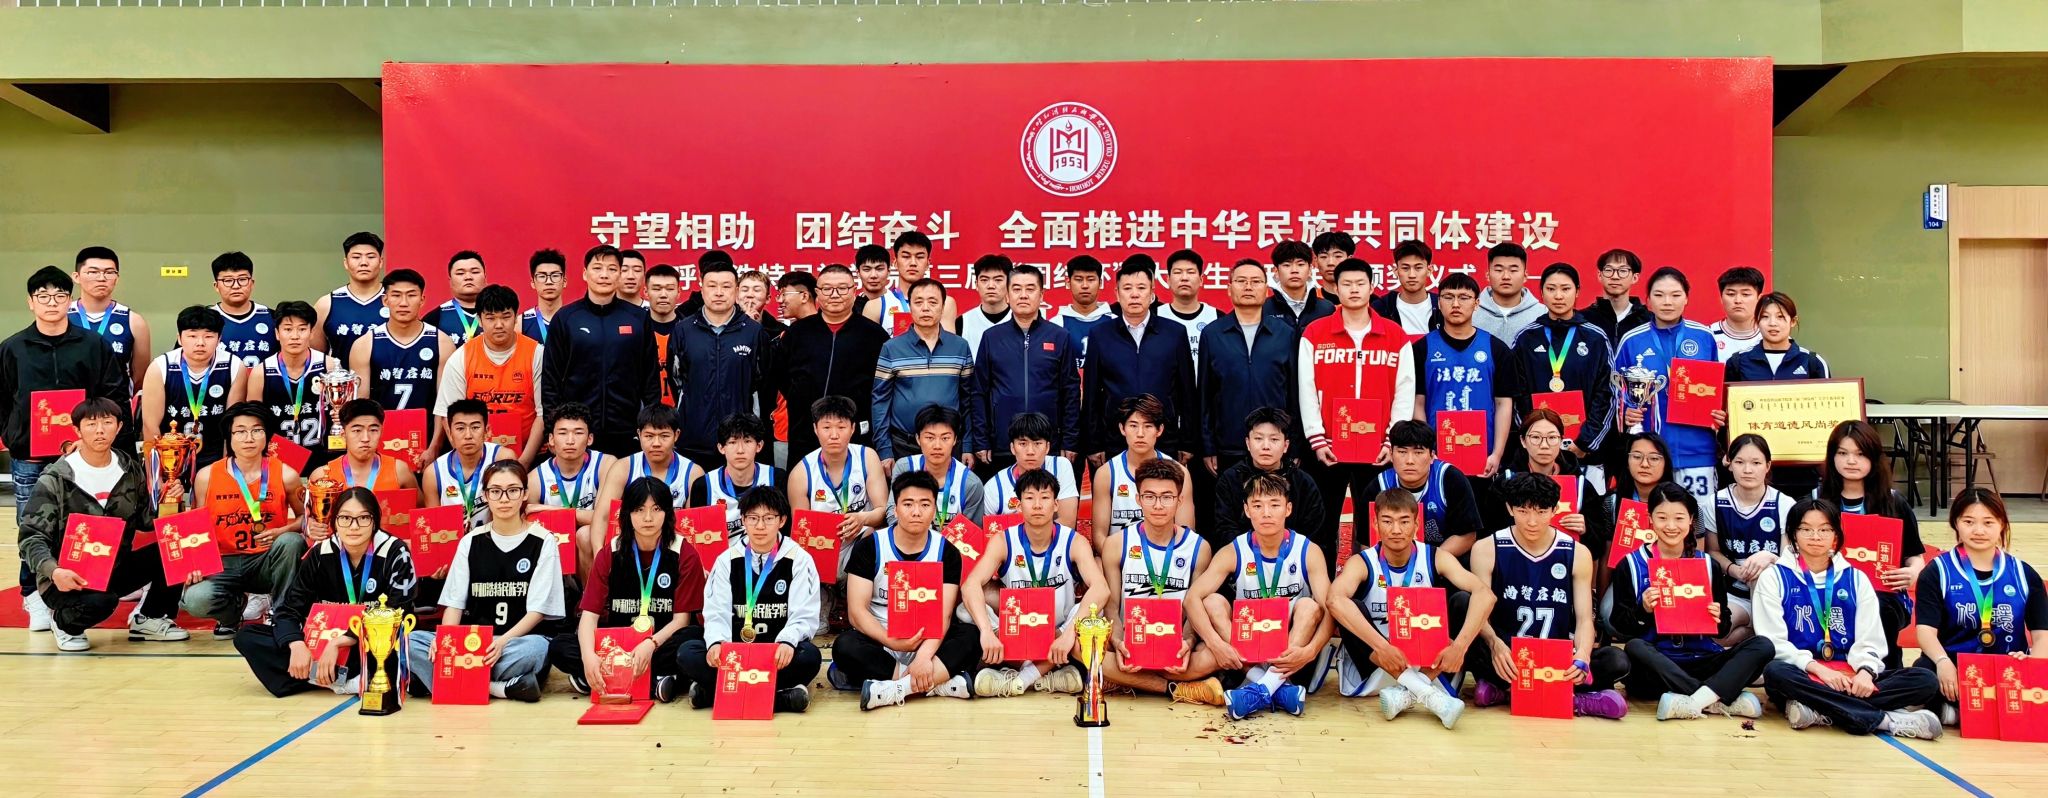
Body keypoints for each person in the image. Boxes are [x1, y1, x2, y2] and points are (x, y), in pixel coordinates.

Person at [6, 266, 137, 631]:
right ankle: (33, 594)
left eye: (59, 296)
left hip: (84, 455)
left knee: (85, 525)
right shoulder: (12, 348)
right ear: (31, 302)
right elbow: (4, 399)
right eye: (43, 296)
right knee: (31, 524)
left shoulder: (93, 344)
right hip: (30, 457)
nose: (52, 303)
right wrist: (16, 435)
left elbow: (113, 393)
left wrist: (94, 437)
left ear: (70, 300)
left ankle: (78, 592)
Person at [1755, 498, 1942, 739]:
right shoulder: (1774, 577)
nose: (1815, 536)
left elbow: (1870, 638)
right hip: (1804, 672)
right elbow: (1773, 642)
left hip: (1849, 675)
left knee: (1924, 680)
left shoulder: (1856, 578)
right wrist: (1819, 670)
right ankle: (1884, 721)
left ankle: (1819, 710)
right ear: (1792, 534)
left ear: (1836, 534)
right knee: (1776, 672)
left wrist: (1865, 672)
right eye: (1806, 529)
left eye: (1824, 529)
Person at [17, 398, 187, 651]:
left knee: (178, 549)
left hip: (114, 567)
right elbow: (31, 537)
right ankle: (63, 622)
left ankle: (150, 618)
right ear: (76, 430)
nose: (100, 430)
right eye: (91, 424)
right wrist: (54, 572)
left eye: (107, 423)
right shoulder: (56, 478)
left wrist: (171, 501)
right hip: (67, 576)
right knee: (101, 602)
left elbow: (145, 520)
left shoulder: (129, 469)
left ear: (119, 427)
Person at [1465, 473, 1630, 718]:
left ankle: (1507, 692)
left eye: (1541, 512)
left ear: (1555, 510)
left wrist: (1583, 655)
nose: (1532, 521)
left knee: (1616, 660)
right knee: (1462, 619)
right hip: (1508, 655)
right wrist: (1495, 644)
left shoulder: (1577, 553)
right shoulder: (1486, 549)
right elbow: (1480, 614)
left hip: (1556, 656)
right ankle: (1571, 699)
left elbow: (1585, 618)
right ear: (1509, 509)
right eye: (1523, 511)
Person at [1327, 488, 1491, 728]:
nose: (1396, 530)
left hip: (1429, 663)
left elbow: (1485, 595)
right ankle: (1428, 694)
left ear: (1416, 524)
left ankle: (1413, 689)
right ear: (1375, 524)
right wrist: (1382, 646)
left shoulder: (1436, 557)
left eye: (1404, 521)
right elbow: (1334, 600)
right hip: (1380, 661)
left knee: (1463, 601)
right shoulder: (1362, 562)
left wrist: (1459, 647)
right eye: (1387, 521)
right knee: (1348, 607)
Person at [1609, 485, 1774, 720]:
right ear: (1650, 520)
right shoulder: (1631, 564)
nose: (1671, 526)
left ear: (1691, 521)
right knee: (1634, 647)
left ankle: (1692, 701)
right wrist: (1643, 610)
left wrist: (1718, 617)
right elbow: (1619, 624)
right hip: (1658, 664)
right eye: (1662, 518)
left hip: (1703, 659)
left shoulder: (1708, 565)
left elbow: (1723, 628)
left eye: (1679, 518)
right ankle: (1714, 699)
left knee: (1762, 646)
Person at [236, 487, 417, 696]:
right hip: (322, 640)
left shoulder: (395, 551)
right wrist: (296, 644)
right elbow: (289, 609)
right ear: (334, 522)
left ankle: (318, 677)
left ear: (375, 521)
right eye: (345, 518)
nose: (354, 527)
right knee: (247, 637)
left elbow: (399, 610)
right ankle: (337, 679)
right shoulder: (320, 553)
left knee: (400, 646)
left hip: (367, 642)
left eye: (363, 518)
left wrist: (341, 641)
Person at [407, 460, 561, 703]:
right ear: (486, 495)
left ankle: (448, 683)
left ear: (525, 494)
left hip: (513, 643)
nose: (504, 499)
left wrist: (502, 642)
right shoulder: (470, 541)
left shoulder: (544, 541)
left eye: (513, 490)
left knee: (538, 649)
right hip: (471, 642)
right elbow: (454, 603)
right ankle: (498, 688)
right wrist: (445, 639)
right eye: (495, 491)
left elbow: (537, 611)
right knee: (410, 642)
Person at [1185, 473, 1334, 719]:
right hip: (1247, 648)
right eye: (1257, 506)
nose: (1266, 513)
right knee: (1211, 601)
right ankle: (1275, 687)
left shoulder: (1308, 550)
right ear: (1246, 510)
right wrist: (1216, 644)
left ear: (1288, 509)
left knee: (1310, 606)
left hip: (1292, 650)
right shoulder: (1234, 550)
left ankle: (1264, 685)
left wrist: (1311, 650)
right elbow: (1192, 598)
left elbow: (1330, 607)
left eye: (1274, 505)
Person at [1297, 257, 1415, 559]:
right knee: (1321, 523)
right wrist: (1316, 438)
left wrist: (1392, 440)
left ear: (1371, 287)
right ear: (1335, 288)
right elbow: (1306, 389)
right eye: (1346, 284)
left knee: (1373, 524)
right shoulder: (1315, 333)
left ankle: (1371, 581)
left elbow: (1404, 392)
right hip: (1327, 447)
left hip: (1377, 449)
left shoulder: (1394, 335)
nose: (1353, 290)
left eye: (1360, 283)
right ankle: (1321, 583)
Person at [832, 471, 980, 709]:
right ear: (896, 508)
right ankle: (938, 684)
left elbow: (943, 615)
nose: (916, 512)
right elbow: (857, 612)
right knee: (845, 646)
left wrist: (923, 657)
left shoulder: (947, 551)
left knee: (971, 636)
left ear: (934, 508)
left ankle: (897, 688)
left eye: (925, 504)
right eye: (908, 504)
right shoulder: (870, 546)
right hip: (882, 637)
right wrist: (892, 641)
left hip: (929, 640)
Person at [552, 476, 704, 703]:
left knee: (691, 641)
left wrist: (650, 644)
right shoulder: (609, 553)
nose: (648, 518)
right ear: (627, 514)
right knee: (560, 646)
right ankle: (656, 680)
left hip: (660, 643)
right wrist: (588, 657)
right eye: (639, 510)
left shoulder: (685, 553)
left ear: (668, 513)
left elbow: (681, 620)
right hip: (616, 645)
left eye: (656, 509)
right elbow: (589, 616)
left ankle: (607, 677)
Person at [961, 468, 1110, 697]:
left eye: (1045, 498)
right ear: (1019, 505)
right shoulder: (1003, 540)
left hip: (1058, 630)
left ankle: (1021, 677)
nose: (1038, 505)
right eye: (1030, 498)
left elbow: (1101, 588)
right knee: (965, 609)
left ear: (1056, 504)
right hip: (1017, 627)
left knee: (1095, 611)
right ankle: (1046, 674)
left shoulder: (1073, 541)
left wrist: (1068, 634)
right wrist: (986, 632)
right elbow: (971, 584)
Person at [682, 486, 823, 712]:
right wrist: (717, 643)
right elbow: (716, 612)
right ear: (743, 520)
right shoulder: (726, 560)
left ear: (782, 520)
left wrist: (787, 642)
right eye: (753, 518)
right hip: (735, 652)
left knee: (809, 657)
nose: (760, 526)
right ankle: (781, 698)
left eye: (768, 518)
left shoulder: (799, 559)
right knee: (688, 652)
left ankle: (717, 692)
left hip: (775, 653)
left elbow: (804, 615)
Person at [1098, 459, 1226, 705]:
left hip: (1175, 646)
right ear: (1138, 499)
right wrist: (1118, 641)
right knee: (1082, 646)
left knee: (1213, 654)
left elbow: (1194, 608)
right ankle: (1176, 689)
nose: (1158, 505)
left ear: (1179, 500)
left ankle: (1127, 681)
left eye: (1167, 497)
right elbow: (1112, 607)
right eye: (1150, 496)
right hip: (1131, 643)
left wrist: (1188, 642)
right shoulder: (1116, 544)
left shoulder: (1199, 548)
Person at [1914, 488, 2048, 719]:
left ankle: (1954, 715)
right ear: (1956, 523)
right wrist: (1943, 662)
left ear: (2002, 524)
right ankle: (1961, 711)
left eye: (1988, 522)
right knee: (1922, 676)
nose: (1978, 531)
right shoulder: (1937, 571)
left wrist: (2032, 665)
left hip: (2008, 669)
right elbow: (1925, 631)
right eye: (1968, 521)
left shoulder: (2023, 574)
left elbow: (2042, 635)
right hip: (1954, 668)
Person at [183, 402, 307, 636]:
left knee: (291, 541)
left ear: (267, 436)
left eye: (256, 430)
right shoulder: (206, 476)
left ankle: (282, 616)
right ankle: (232, 614)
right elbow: (196, 526)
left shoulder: (286, 474)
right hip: (223, 562)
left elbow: (306, 518)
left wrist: (281, 531)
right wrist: (194, 562)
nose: (249, 438)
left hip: (266, 561)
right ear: (229, 437)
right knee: (196, 599)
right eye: (240, 431)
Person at [1816, 419, 1927, 670]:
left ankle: (1884, 674)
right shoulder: (1817, 502)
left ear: (1874, 458)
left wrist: (1912, 572)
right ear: (1832, 457)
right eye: (1842, 453)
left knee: (1878, 605)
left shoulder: (1894, 502)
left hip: (1884, 594)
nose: (1851, 461)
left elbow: (1915, 556)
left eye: (1860, 454)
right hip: (1826, 589)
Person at [1610, 267, 1724, 501]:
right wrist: (1626, 412)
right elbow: (1616, 390)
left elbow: (1716, 389)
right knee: (1649, 516)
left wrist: (1720, 414)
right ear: (1648, 300)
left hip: (1697, 452)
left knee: (1699, 517)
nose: (1667, 302)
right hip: (1649, 455)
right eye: (1659, 295)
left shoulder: (1704, 337)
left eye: (1675, 295)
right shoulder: (1632, 340)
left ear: (1686, 298)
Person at [542, 244, 662, 459]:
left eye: (612, 269)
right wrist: (554, 429)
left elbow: (650, 378)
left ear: (619, 274)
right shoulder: (566, 318)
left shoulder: (638, 318)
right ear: (585, 273)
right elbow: (551, 381)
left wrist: (649, 425)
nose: (604, 275)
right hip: (577, 432)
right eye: (597, 268)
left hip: (627, 430)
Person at [1083, 255, 1197, 467]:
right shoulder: (1100, 335)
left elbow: (1187, 393)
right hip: (1116, 437)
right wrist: (1093, 443)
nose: (1134, 294)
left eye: (1141, 288)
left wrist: (1188, 441)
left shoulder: (1174, 333)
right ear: (1117, 293)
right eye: (1127, 288)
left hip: (1164, 437)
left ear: (1152, 293)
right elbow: (1091, 394)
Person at [1510, 263, 1615, 485]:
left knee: (1582, 504)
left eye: (1565, 289)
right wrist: (1535, 440)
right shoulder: (1526, 338)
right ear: (1541, 293)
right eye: (1551, 289)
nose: (1558, 296)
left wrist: (1585, 442)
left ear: (1577, 292)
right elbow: (1517, 395)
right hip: (1537, 456)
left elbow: (1607, 394)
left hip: (1585, 453)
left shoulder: (1595, 338)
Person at [772, 264, 889, 462]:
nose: (835, 295)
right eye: (827, 289)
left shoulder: (873, 335)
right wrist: (800, 397)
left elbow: (882, 385)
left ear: (854, 291)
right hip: (805, 431)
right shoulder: (797, 333)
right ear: (817, 292)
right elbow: (779, 375)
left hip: (855, 432)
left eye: (842, 288)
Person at [972, 264, 1080, 476]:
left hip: (1047, 444)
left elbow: (1070, 392)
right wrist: (981, 439)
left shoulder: (1059, 336)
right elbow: (979, 392)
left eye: (1030, 289)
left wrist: (1070, 440)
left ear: (1041, 295)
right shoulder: (992, 337)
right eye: (1017, 289)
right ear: (1007, 295)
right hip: (1003, 443)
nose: (1023, 295)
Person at [1413, 272, 1522, 479]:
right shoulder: (1421, 348)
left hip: (1483, 454)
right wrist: (1427, 448)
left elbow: (1503, 404)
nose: (1456, 304)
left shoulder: (1496, 349)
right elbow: (1418, 403)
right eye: (1448, 297)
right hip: (1436, 454)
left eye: (1464, 297)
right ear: (1439, 303)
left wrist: (1497, 454)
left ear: (1477, 303)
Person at [1199, 259, 1297, 479]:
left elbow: (1294, 393)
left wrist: (1294, 444)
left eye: (1256, 281)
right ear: (1229, 289)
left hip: (1273, 445)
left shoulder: (1285, 333)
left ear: (1266, 289)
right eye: (1241, 281)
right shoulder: (1213, 334)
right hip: (1228, 445)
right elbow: (1205, 395)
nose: (1248, 287)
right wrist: (1208, 446)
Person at [669, 260, 771, 470]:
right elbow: (676, 380)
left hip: (738, 441)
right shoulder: (683, 330)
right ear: (701, 289)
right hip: (693, 438)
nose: (718, 292)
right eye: (712, 286)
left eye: (726, 286)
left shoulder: (753, 332)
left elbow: (762, 383)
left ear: (736, 290)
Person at [434, 284, 544, 466]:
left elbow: (543, 414)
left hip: (529, 456)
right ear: (479, 319)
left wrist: (523, 463)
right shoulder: (461, 357)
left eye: (506, 317)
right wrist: (469, 460)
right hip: (476, 459)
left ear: (516, 318)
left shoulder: (537, 354)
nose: (499, 325)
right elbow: (448, 415)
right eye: (491, 318)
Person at [872, 277, 976, 467]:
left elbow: (968, 399)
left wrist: (968, 444)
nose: (925, 308)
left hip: (949, 445)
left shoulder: (960, 346)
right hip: (903, 445)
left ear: (942, 307)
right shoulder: (891, 348)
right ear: (910, 307)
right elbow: (880, 401)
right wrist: (884, 449)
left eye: (933, 302)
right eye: (918, 302)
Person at [1703, 434, 1792, 645]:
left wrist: (1769, 557)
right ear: (1729, 464)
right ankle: (1754, 631)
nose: (1748, 470)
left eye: (1756, 463)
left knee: (1764, 571)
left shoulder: (1784, 504)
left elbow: (1788, 557)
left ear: (1768, 466)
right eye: (1740, 462)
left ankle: (1761, 631)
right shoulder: (1715, 503)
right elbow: (1712, 551)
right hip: (1734, 592)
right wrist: (1735, 570)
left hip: (1773, 593)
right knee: (1715, 634)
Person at [350, 269, 454, 440]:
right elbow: (362, 402)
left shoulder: (442, 342)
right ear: (385, 300)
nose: (403, 303)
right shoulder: (364, 344)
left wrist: (435, 446)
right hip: (380, 440)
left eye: (411, 295)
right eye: (396, 295)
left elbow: (444, 403)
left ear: (422, 300)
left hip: (427, 440)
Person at [1585, 434, 1703, 583]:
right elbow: (1606, 559)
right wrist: (1602, 596)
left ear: (1666, 463)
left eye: (1654, 458)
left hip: (1674, 584)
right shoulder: (1612, 503)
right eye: (1636, 457)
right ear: (1627, 461)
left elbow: (1698, 558)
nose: (1644, 464)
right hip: (1627, 584)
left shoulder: (1686, 505)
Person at [230, 300, 332, 468]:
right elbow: (254, 422)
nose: (295, 336)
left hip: (323, 455)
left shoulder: (329, 366)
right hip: (277, 457)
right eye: (288, 329)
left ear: (312, 332)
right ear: (277, 333)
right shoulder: (261, 373)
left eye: (302, 329)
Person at [1362, 421, 1483, 559]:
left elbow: (1467, 535)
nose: (1410, 460)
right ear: (1391, 454)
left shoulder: (1450, 479)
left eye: (1418, 452)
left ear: (1432, 456)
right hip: (1391, 563)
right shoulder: (1379, 486)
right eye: (1402, 452)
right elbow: (1366, 543)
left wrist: (1427, 561)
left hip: (1443, 559)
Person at [1211, 408, 1324, 549]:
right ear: (1248, 443)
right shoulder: (1230, 480)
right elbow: (1225, 529)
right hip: (1242, 556)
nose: (1266, 446)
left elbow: (1314, 532)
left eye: (1274, 439)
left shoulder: (1303, 483)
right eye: (1258, 438)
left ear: (1286, 445)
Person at [1090, 395, 1193, 549]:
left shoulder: (1180, 473)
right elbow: (1099, 537)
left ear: (1160, 430)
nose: (1140, 433)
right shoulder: (1106, 473)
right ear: (1122, 428)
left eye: (1148, 426)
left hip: (1166, 558)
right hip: (1118, 557)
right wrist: (1118, 558)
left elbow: (1186, 535)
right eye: (1133, 425)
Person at [592, 406, 702, 546]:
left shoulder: (693, 473)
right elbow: (602, 517)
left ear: (676, 435)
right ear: (639, 434)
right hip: (630, 543)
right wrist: (599, 556)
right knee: (584, 534)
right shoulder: (623, 467)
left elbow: (694, 524)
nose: (656, 443)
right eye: (649, 436)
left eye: (664, 436)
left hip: (673, 543)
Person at [141, 306, 236, 470]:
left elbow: (233, 424)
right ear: (179, 338)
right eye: (192, 336)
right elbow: (150, 426)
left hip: (215, 457)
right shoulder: (160, 367)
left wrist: (227, 470)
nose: (200, 343)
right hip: (171, 457)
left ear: (219, 339)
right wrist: (156, 475)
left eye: (208, 336)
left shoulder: (233, 366)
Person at [788, 395, 890, 544]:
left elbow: (882, 510)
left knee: (879, 534)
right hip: (821, 544)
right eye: (826, 427)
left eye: (841, 427)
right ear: (815, 429)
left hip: (861, 539)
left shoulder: (867, 457)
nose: (834, 435)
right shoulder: (800, 474)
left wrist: (861, 519)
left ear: (853, 428)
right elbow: (801, 530)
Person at [1481, 410, 1596, 538]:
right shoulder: (1505, 483)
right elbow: (1488, 532)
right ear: (1523, 441)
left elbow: (1599, 538)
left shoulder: (1580, 486)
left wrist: (1586, 529)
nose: (1544, 445)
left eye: (1552, 438)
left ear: (1561, 441)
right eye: (1536, 437)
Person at [530, 402, 610, 575]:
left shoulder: (606, 465)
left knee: (586, 534)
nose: (570, 440)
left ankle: (591, 593)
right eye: (563, 433)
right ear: (551, 439)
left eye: (578, 433)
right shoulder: (535, 478)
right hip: (553, 548)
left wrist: (550, 510)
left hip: (592, 544)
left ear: (590, 439)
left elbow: (606, 518)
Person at [422, 398, 516, 532]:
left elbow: (514, 511)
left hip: (496, 538)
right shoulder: (433, 473)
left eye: (475, 427)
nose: (468, 435)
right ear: (450, 433)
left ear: (487, 431)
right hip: (454, 542)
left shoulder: (502, 459)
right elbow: (434, 526)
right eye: (460, 428)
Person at [886, 406, 985, 526]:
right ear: (918, 439)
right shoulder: (905, 468)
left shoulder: (970, 484)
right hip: (910, 536)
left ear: (955, 440)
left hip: (951, 539)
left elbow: (972, 532)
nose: (937, 446)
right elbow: (893, 515)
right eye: (930, 438)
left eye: (945, 438)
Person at [68, 246, 152, 390]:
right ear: (76, 277)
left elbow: (139, 377)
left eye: (109, 272)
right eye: (93, 272)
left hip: (116, 401)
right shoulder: (63, 316)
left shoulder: (134, 321)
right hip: (71, 401)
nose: (101, 278)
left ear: (117, 278)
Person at [688, 413, 778, 541]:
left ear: (759, 446)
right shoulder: (703, 485)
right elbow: (699, 538)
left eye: (747, 441)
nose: (740, 450)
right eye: (732, 442)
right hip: (721, 554)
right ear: (721, 448)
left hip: (767, 552)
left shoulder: (776, 478)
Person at [980, 412, 1079, 526]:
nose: (1030, 451)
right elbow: (989, 531)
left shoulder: (1061, 466)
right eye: (1023, 444)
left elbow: (1067, 523)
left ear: (1047, 447)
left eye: (1037, 443)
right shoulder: (994, 487)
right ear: (1012, 448)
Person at [306, 399, 418, 493]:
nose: (365, 438)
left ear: (381, 432)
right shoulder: (322, 476)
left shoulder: (399, 470)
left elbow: (419, 510)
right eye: (357, 430)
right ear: (343, 435)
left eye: (373, 430)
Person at [312, 231, 388, 360]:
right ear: (346, 263)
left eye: (370, 257)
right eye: (356, 257)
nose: (364, 262)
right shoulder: (326, 304)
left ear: (381, 262)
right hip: (340, 373)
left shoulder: (395, 300)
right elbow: (316, 356)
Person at [864, 232, 959, 331]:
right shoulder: (875, 307)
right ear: (895, 262)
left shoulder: (945, 303)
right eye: (906, 256)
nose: (913, 263)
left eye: (920, 257)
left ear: (928, 263)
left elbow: (948, 340)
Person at [208, 251, 277, 369]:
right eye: (228, 280)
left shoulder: (272, 317)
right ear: (216, 286)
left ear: (252, 283)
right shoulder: (203, 319)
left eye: (242, 279)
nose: (236, 286)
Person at [1051, 254, 1115, 376]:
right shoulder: (1055, 325)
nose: (1085, 285)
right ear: (1068, 282)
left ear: (1100, 282)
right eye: (1079, 279)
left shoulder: (1115, 322)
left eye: (1091, 279)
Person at [1161, 249, 1222, 372]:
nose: (1184, 278)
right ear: (1168, 280)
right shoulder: (1154, 316)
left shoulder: (1218, 318)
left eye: (1190, 272)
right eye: (1177, 272)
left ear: (1201, 280)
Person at [1369, 240, 1442, 336]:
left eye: (1418, 268)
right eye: (1405, 268)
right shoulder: (1381, 308)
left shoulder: (1443, 305)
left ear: (1429, 270)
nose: (1412, 275)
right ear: (1395, 271)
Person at [1579, 248, 1652, 343]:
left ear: (1635, 277)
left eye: (1623, 271)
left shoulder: (1649, 320)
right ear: (1600, 275)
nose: (1615, 276)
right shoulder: (1583, 319)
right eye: (1609, 270)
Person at [1474, 243, 1542, 344]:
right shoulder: (1471, 312)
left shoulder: (1542, 314)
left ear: (1525, 276)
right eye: (1499, 270)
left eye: (1513, 270)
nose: (1506, 276)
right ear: (1488, 275)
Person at [1265, 240, 1334, 332]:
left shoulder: (1327, 309)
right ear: (1276, 271)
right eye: (1287, 265)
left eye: (1300, 264)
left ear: (1310, 270)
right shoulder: (1263, 308)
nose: (1294, 270)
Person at [956, 254, 1012, 358]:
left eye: (998, 280)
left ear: (1009, 284)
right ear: (976, 284)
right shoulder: (962, 323)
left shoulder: (1021, 320)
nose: (991, 286)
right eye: (984, 280)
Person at [644, 264, 683, 408]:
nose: (663, 295)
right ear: (646, 292)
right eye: (656, 289)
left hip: (683, 411)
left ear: (679, 292)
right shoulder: (637, 330)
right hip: (645, 412)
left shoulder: (691, 331)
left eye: (670, 289)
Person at [431, 250, 488, 347]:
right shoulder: (435, 318)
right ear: (450, 281)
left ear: (485, 277)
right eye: (460, 273)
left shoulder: (502, 312)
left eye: (475, 272)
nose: (468, 277)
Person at [1709, 266, 1766, 363]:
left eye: (1745, 294)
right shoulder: (1707, 336)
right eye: (1731, 294)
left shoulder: (1771, 336)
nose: (1738, 300)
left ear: (1759, 299)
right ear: (1721, 298)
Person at [520, 249, 567, 345]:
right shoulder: (521, 323)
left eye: (555, 275)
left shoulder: (575, 320)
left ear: (564, 281)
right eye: (542, 276)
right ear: (533, 283)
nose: (549, 282)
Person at [850, 244, 894, 320]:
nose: (873, 275)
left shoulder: (899, 303)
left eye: (879, 269)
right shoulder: (850, 308)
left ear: (888, 271)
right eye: (867, 269)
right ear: (858, 273)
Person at [1310, 232, 1353, 305]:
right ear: (1316, 261)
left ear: (1349, 260)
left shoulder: (1368, 301)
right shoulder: (1308, 302)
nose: (1331, 263)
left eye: (1338, 256)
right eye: (1324, 257)